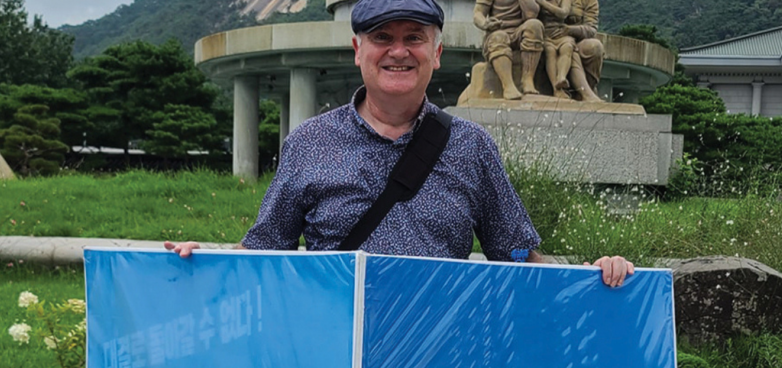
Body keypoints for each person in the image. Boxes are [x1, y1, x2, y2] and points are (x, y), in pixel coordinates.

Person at [166, 0, 633, 287]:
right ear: (358, 51)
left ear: (436, 53)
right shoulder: (310, 142)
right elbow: (267, 248)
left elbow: (517, 254)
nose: (398, 50)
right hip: (333, 352)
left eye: (414, 38)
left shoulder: (471, 146)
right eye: (382, 37)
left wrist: (594, 276)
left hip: (436, 359)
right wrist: (203, 264)